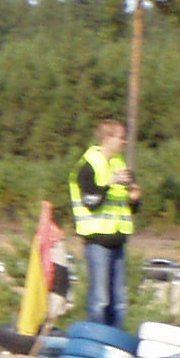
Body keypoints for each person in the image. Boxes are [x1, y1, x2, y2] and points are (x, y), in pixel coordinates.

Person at [68, 118, 141, 331]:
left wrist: (135, 199)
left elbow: (128, 206)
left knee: (119, 302)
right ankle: (96, 344)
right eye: (121, 137)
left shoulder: (120, 165)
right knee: (100, 300)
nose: (124, 142)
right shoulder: (87, 166)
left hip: (118, 239)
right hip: (97, 240)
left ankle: (115, 344)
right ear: (108, 139)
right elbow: (90, 202)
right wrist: (109, 183)